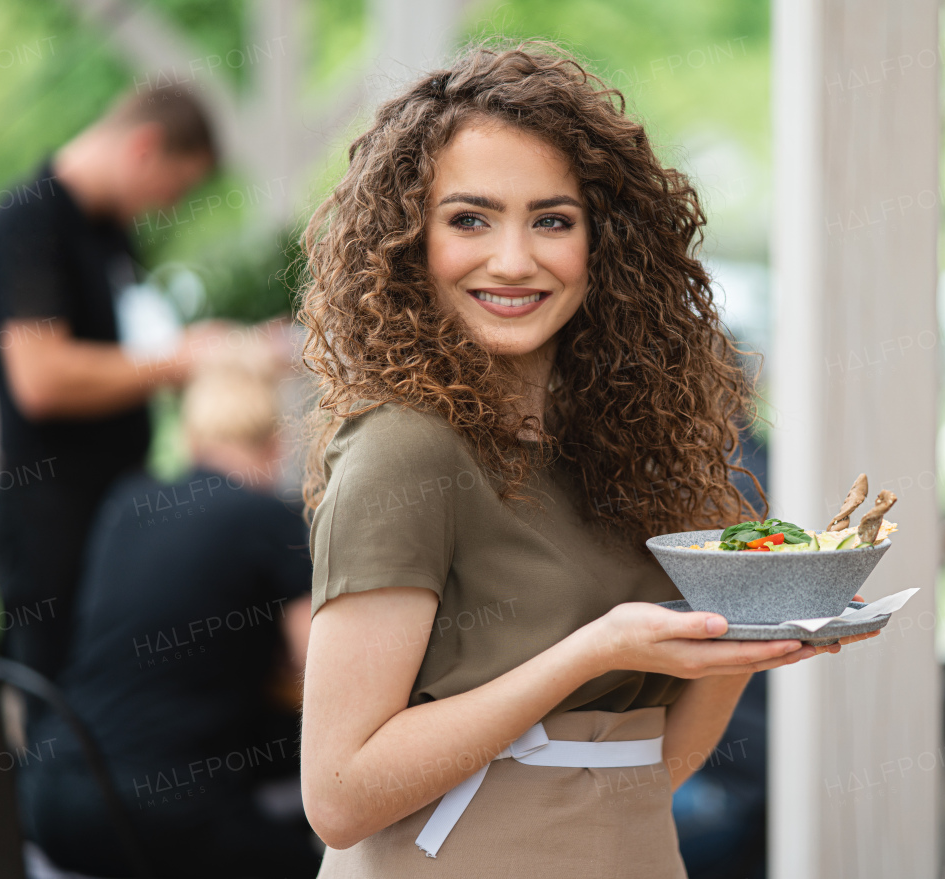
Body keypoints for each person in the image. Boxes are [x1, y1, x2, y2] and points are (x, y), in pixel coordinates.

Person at [297, 42, 879, 877]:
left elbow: (658, 762)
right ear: (408, 243)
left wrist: (755, 637)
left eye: (552, 220)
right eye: (469, 218)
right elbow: (341, 793)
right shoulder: (404, 448)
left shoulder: (634, 443)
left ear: (604, 244)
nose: (513, 259)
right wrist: (596, 648)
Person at [18, 352, 320, 877]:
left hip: (49, 794)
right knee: (313, 862)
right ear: (278, 440)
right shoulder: (266, 516)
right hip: (155, 811)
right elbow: (319, 669)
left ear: (190, 433)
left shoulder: (128, 502)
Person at [0, 83, 228, 681]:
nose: (169, 205)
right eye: (177, 185)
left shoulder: (110, 231)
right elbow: (41, 379)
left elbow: (124, 357)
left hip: (115, 507)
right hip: (54, 527)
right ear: (145, 147)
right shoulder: (29, 223)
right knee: (64, 719)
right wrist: (178, 361)